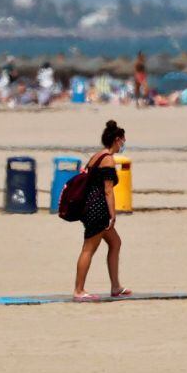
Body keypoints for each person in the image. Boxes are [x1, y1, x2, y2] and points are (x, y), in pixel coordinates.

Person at [73, 120, 131, 301]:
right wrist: (112, 214)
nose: (123, 144)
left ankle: (115, 286)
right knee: (89, 248)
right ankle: (79, 290)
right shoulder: (107, 160)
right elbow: (108, 190)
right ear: (116, 140)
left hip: (90, 206)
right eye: (122, 140)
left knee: (115, 243)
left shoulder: (96, 156)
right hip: (97, 209)